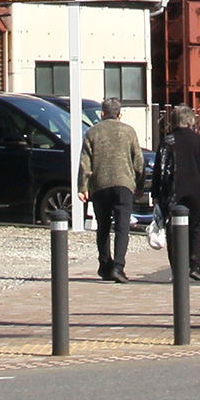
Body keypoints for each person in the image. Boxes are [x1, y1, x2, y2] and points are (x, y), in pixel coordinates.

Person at [77, 97, 145, 282]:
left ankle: (105, 264)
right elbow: (139, 162)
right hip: (124, 184)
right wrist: (139, 185)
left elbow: (85, 162)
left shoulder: (92, 132)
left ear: (102, 114)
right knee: (122, 227)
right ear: (120, 114)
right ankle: (119, 266)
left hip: (100, 185)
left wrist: (83, 187)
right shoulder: (129, 132)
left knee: (103, 226)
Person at [157, 105, 200, 282]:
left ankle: (177, 269)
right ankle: (195, 266)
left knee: (172, 230)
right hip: (197, 190)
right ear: (191, 121)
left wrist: (156, 193)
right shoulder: (199, 141)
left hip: (173, 191)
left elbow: (160, 170)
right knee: (195, 227)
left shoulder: (167, 141)